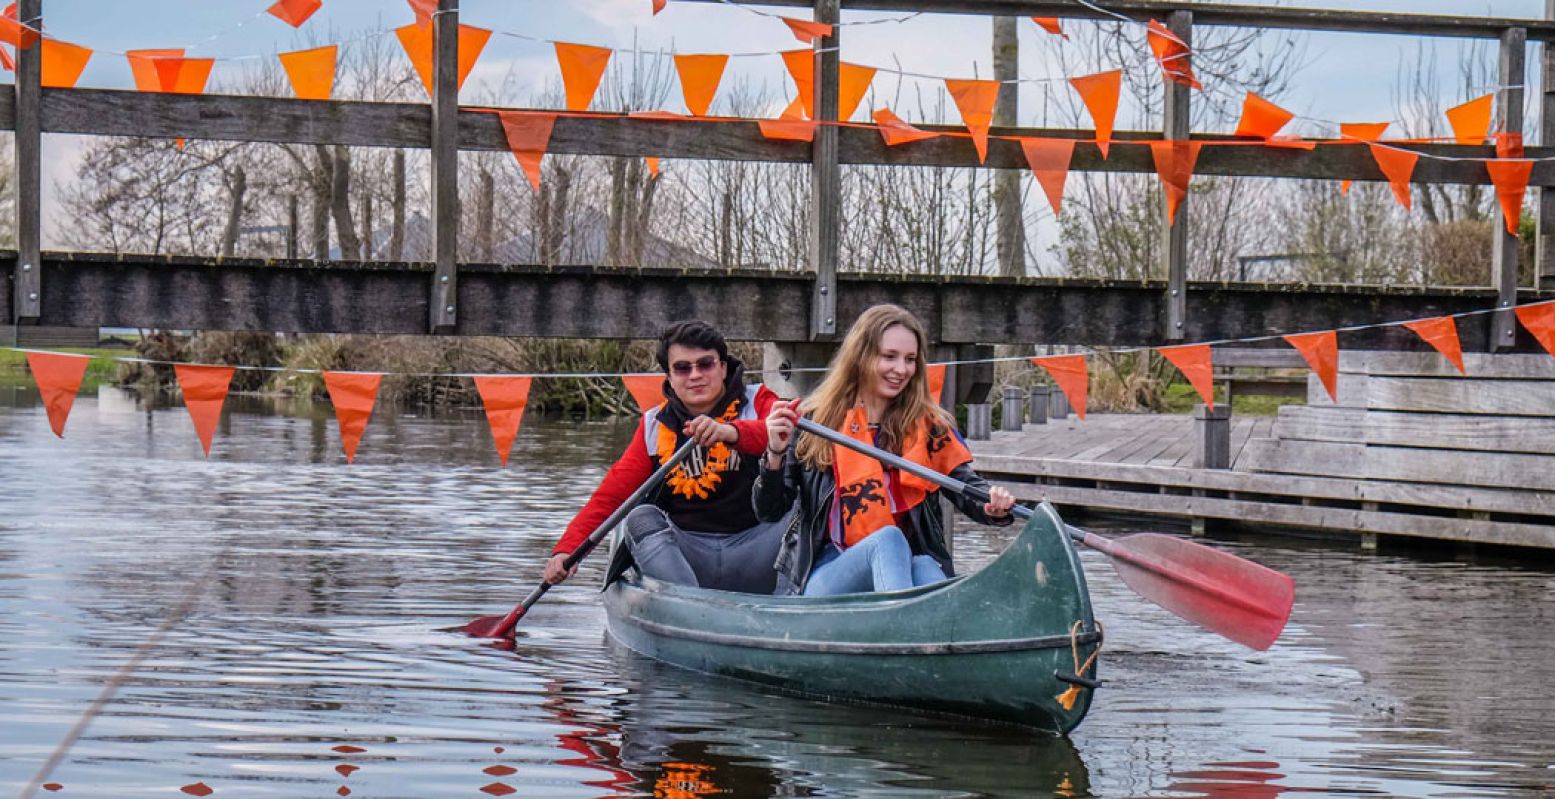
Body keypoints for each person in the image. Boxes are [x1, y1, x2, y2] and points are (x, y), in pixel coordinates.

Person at [753, 304, 1016, 596]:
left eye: (910, 359)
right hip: (826, 571)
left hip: (904, 567)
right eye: (889, 357)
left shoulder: (929, 427)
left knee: (928, 567)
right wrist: (774, 454)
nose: (901, 370)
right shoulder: (814, 421)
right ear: (861, 357)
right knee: (888, 539)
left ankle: (927, 634)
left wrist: (992, 505)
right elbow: (769, 511)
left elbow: (966, 487)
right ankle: (900, 630)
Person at [545, 320, 788, 593]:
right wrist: (569, 547)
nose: (695, 375)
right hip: (686, 557)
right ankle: (690, 607)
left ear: (723, 367)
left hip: (758, 549)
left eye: (705, 364)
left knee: (802, 510)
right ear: (670, 378)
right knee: (639, 517)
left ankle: (792, 605)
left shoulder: (759, 401)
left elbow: (793, 431)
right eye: (682, 368)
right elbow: (612, 495)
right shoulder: (653, 425)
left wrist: (730, 432)